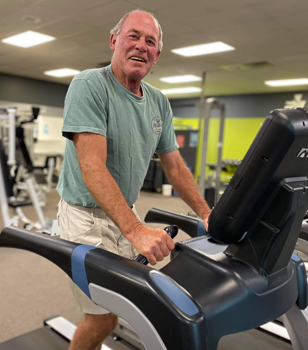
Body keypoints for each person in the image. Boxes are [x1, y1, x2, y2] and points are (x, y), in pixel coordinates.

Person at [56, 9, 211, 350]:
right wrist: (136, 230)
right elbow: (92, 166)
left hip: (124, 210)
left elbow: (175, 167)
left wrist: (205, 212)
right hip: (85, 218)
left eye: (150, 41)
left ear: (157, 55)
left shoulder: (158, 101)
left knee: (131, 300)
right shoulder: (89, 85)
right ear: (115, 41)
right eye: (133, 36)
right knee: (102, 318)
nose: (141, 46)